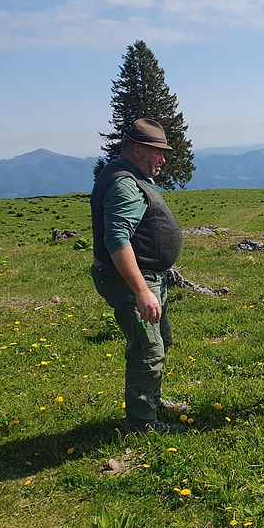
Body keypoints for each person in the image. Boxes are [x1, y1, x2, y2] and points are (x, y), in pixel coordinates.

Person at [90, 119, 188, 434]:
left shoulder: (128, 175)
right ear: (137, 149)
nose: (163, 159)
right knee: (148, 350)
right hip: (134, 281)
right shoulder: (124, 182)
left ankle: (151, 401)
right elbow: (117, 239)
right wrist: (142, 291)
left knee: (162, 341)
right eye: (157, 152)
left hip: (148, 277)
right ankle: (141, 424)